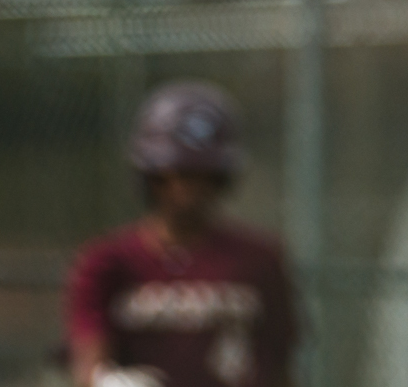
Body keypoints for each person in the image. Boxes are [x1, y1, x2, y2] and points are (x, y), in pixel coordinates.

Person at [65, 81, 297, 387]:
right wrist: (109, 381)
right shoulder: (107, 261)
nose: (191, 189)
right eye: (180, 173)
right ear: (152, 174)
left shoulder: (259, 259)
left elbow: (281, 364)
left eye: (206, 175)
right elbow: (89, 363)